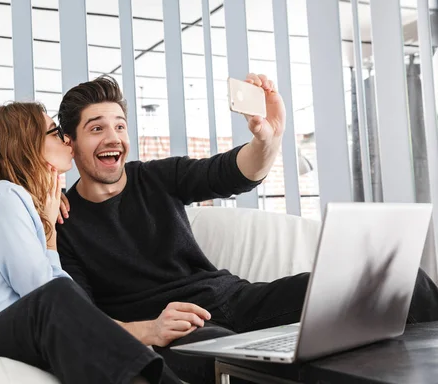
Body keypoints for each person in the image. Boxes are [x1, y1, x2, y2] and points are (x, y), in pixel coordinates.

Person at [55, 75, 438, 383]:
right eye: (96, 128)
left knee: (399, 282)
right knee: (235, 361)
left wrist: (267, 139)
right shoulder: (65, 226)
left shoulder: (156, 177)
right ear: (69, 143)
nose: (113, 138)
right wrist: (150, 330)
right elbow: (85, 321)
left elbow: (232, 172)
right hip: (180, 329)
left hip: (238, 299)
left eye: (119, 126)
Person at [0, 102, 182, 384]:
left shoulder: (14, 201)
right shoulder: (3, 196)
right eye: (54, 132)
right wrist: (50, 239)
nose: (66, 140)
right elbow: (43, 292)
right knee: (55, 297)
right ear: (25, 146)